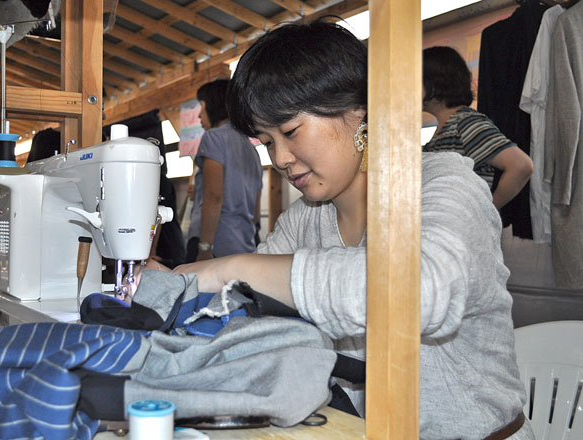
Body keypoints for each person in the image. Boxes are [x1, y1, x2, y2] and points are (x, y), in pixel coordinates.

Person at [133, 20, 537, 439]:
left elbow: (419, 292)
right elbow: (247, 304)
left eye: (290, 131)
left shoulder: (444, 184)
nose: (282, 158)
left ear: (359, 110)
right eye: (268, 142)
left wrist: (227, 269)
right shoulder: (307, 217)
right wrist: (174, 283)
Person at [422, 46, 533, 210]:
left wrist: (487, 211)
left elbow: (521, 165)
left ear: (435, 83)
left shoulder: (465, 122)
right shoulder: (447, 127)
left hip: (462, 227)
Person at [185, 78, 263, 262]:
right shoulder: (252, 149)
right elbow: (256, 212)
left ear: (212, 106)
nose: (198, 116)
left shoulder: (213, 138)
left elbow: (214, 195)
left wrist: (205, 248)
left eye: (201, 107)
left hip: (214, 245)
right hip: (243, 244)